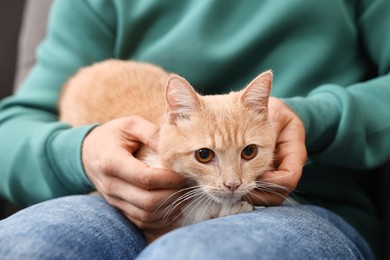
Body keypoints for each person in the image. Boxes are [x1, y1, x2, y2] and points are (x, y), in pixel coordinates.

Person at [0, 0, 389, 259]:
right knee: (24, 247)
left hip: (299, 204)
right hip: (119, 198)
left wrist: (316, 118)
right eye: (207, 155)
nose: (233, 180)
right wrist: (79, 152)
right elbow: (13, 127)